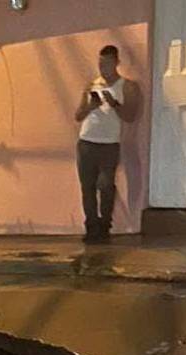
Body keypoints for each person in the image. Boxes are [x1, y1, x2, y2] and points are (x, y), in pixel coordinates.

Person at [74, 45, 140, 243]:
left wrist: (114, 104)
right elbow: (78, 115)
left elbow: (130, 116)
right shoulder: (91, 85)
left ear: (117, 63)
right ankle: (91, 226)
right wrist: (90, 106)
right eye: (101, 64)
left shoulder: (127, 86)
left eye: (108, 64)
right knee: (87, 187)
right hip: (86, 141)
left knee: (105, 185)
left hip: (109, 144)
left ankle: (105, 225)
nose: (104, 68)